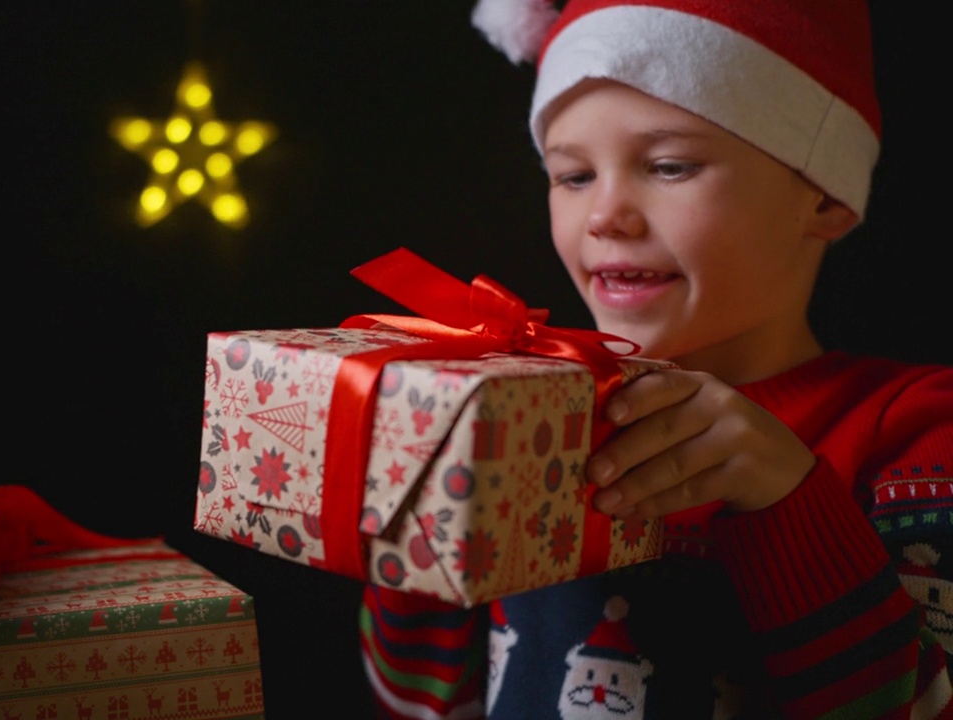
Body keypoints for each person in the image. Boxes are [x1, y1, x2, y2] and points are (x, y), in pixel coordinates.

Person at [359, 0, 953, 718]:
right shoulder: (527, 422)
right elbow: (420, 700)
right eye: (574, 176)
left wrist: (789, 502)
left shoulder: (918, 434)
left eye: (668, 166)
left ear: (824, 197)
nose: (606, 214)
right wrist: (411, 510)